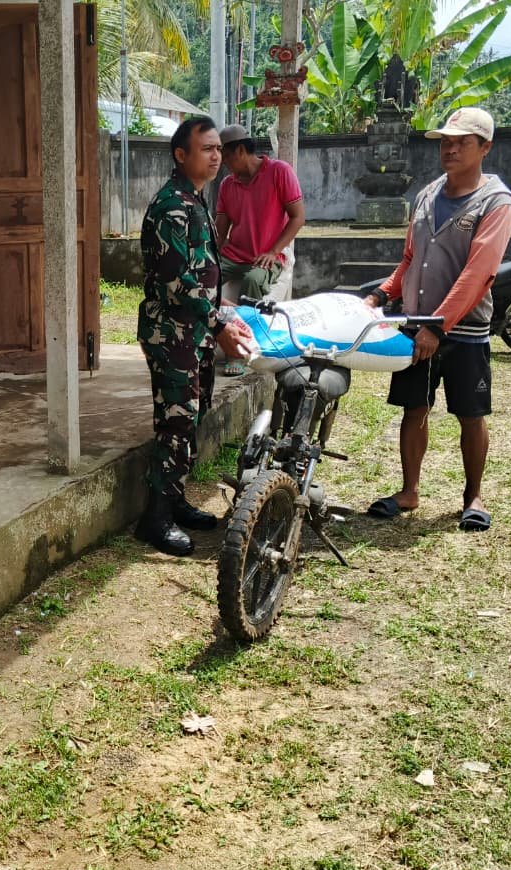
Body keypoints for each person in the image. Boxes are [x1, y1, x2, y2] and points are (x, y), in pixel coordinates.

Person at [363, 107, 511, 532]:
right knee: (414, 407)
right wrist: (380, 295)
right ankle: (409, 491)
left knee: (471, 413)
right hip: (416, 324)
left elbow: (478, 272)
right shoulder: (428, 194)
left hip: (463, 330)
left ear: (485, 148)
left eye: (462, 142)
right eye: (445, 142)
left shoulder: (496, 202)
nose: (450, 149)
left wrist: (437, 326)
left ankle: (473, 496)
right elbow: (410, 259)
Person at [136, 116, 253, 557]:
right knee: (175, 422)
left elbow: (202, 276)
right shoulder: (171, 206)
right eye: (206, 148)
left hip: (196, 331)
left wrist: (221, 316)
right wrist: (219, 326)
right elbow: (175, 281)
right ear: (181, 155)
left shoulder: (196, 199)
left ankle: (175, 499)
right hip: (173, 334)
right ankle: (155, 519)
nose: (216, 155)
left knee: (192, 416)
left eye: (218, 148)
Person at [213, 123, 306, 302]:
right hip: (233, 256)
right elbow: (220, 231)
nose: (223, 162)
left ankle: (251, 320)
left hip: (266, 256)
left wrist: (273, 251)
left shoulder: (279, 171)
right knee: (205, 275)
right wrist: (206, 256)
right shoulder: (227, 184)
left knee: (253, 280)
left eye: (226, 156)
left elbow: (298, 217)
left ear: (240, 150)